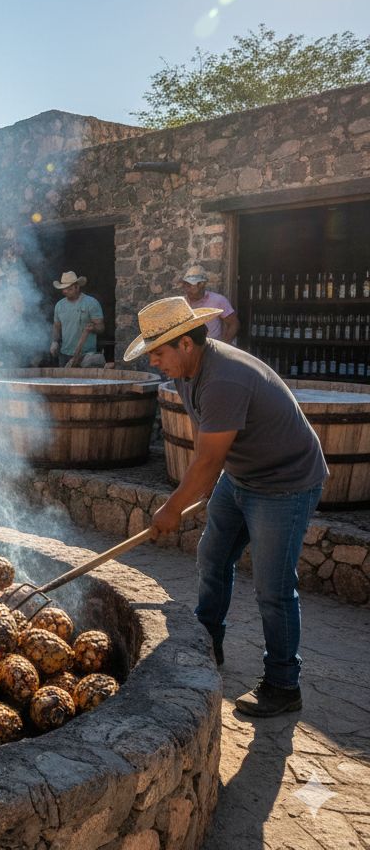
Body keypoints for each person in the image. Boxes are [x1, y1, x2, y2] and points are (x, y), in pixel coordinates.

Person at [125, 295, 327, 717]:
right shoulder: (185, 372)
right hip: (241, 476)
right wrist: (200, 493)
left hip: (285, 483)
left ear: (185, 342)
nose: (154, 362)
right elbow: (206, 445)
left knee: (273, 588)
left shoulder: (225, 378)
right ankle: (207, 643)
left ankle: (283, 684)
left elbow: (207, 461)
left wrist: (170, 508)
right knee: (213, 557)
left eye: (158, 352)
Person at [50, 270, 105, 367]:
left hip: (86, 355)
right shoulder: (59, 305)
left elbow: (101, 328)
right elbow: (57, 326)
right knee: (63, 381)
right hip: (64, 353)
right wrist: (55, 341)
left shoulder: (91, 303)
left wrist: (93, 328)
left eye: (69, 289)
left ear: (77, 287)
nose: (65, 291)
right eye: (63, 289)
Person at [0, 264, 28, 366]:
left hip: (14, 335)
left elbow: (20, 311)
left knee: (14, 364)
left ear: (2, 279)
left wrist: (7, 326)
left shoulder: (12, 291)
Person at [180, 264, 239, 344]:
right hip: (190, 349)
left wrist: (224, 345)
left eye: (190, 285)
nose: (187, 289)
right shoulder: (183, 303)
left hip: (211, 349)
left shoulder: (218, 300)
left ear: (202, 284)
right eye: (186, 285)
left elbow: (234, 324)